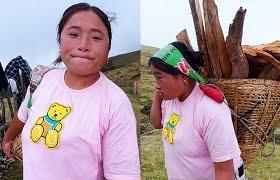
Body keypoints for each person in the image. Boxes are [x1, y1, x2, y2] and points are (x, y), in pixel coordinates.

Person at [2, 3, 140, 180]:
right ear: (60, 40)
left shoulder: (115, 103)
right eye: (74, 34)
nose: (83, 45)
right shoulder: (42, 80)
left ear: (108, 49)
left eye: (96, 38)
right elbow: (23, 115)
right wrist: (7, 139)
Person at [149, 41, 244, 180]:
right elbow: (156, 122)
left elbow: (225, 172)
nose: (156, 85)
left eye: (159, 76)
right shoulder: (172, 98)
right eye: (154, 77)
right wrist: (160, 91)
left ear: (184, 76)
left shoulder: (211, 110)